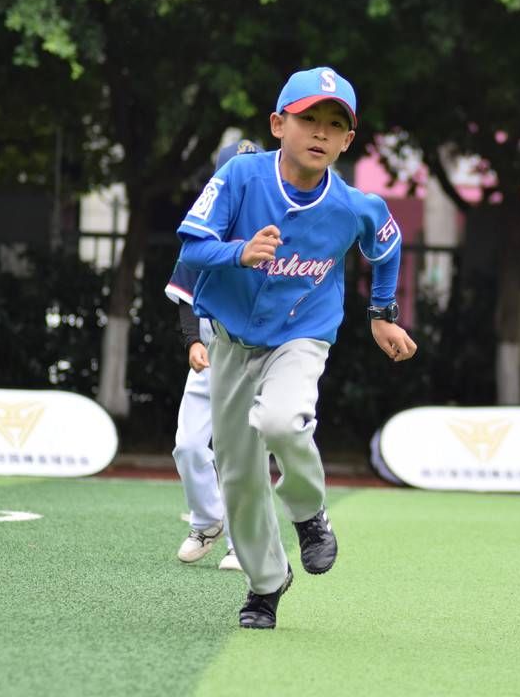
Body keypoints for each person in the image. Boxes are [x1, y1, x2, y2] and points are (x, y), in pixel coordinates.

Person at [176, 66, 417, 629]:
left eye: (336, 124)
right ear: (278, 123)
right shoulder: (240, 176)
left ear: (348, 140)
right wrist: (238, 252)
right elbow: (192, 244)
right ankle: (266, 584)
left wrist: (381, 315)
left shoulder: (354, 204)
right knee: (236, 476)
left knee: (283, 421)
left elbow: (388, 245)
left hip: (302, 336)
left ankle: (310, 513)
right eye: (309, 118)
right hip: (233, 339)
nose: (321, 132)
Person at [166, 139, 265, 572]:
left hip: (258, 355)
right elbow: (186, 295)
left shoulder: (273, 227)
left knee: (242, 453)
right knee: (188, 446)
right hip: (212, 351)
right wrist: (192, 341)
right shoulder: (204, 227)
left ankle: (243, 546)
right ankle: (207, 522)